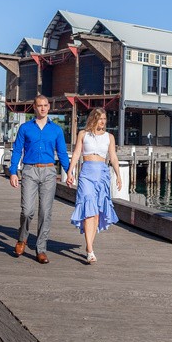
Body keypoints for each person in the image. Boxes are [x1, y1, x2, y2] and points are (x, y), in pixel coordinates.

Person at [8, 94, 70, 264]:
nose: (43, 108)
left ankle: (41, 249)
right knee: (27, 210)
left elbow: (62, 153)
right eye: (40, 105)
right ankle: (22, 238)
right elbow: (17, 150)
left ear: (49, 107)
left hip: (49, 171)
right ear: (34, 108)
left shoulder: (56, 130)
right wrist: (13, 172)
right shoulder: (25, 128)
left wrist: (69, 172)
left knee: (45, 212)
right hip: (29, 170)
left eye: (45, 105)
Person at [66, 108, 121, 264]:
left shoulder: (109, 137)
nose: (102, 121)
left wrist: (118, 175)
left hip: (102, 174)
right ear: (93, 119)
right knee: (88, 209)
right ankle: (90, 250)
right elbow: (77, 153)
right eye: (100, 118)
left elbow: (113, 157)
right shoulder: (83, 134)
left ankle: (89, 246)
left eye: (104, 118)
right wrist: (70, 171)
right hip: (87, 174)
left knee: (96, 212)